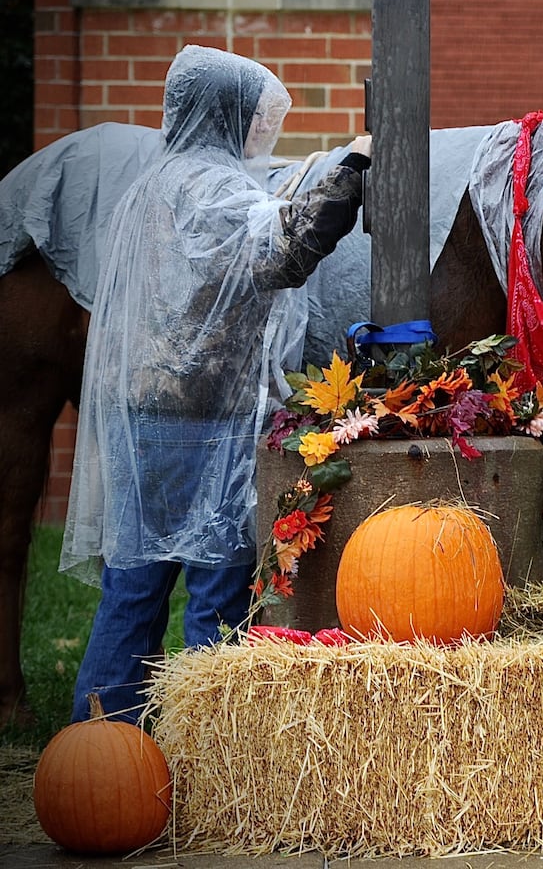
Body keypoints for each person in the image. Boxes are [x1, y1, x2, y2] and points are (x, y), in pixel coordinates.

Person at [62, 45, 373, 723]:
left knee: (133, 584)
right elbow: (285, 252)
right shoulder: (216, 190)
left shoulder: (151, 183)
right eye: (257, 117)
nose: (266, 131)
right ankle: (209, 753)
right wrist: (351, 168)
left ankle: (103, 739)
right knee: (217, 588)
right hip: (203, 422)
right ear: (226, 113)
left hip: (138, 416)